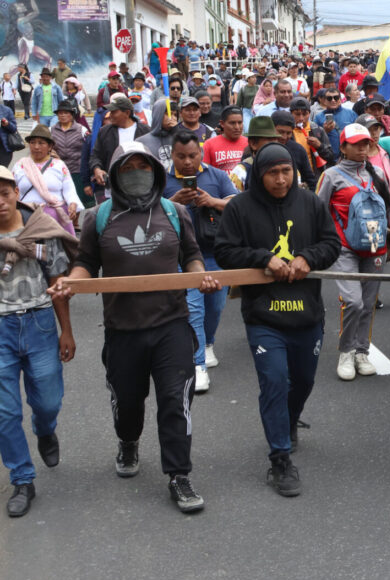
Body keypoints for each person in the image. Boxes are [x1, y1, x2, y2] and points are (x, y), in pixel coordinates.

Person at [49, 142, 219, 513]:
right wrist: (71, 283)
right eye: (128, 169)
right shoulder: (99, 217)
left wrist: (200, 276)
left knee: (176, 399)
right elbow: (87, 264)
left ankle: (179, 474)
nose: (137, 174)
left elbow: (191, 257)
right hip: (123, 329)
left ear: (155, 172)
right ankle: (128, 441)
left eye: (144, 166)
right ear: (114, 175)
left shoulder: (175, 213)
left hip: (171, 325)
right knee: (128, 403)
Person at [215, 139, 341, 497]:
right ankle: (280, 458)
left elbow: (332, 244)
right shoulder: (239, 208)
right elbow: (224, 251)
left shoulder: (311, 203)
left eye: (287, 171)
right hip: (263, 316)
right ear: (259, 174)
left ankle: (288, 421)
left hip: (307, 314)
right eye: (273, 173)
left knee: (301, 382)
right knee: (274, 381)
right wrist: (261, 258)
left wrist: (308, 258)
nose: (281, 179)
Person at [0, 165, 76, 518]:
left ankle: (45, 431)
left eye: (4, 193)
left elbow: (59, 281)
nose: (0, 202)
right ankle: (22, 479)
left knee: (47, 401)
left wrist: (67, 330)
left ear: (16, 193)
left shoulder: (41, 229)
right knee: (4, 413)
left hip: (40, 323)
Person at [163, 131, 238, 393]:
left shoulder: (217, 176)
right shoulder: (162, 178)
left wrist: (212, 201)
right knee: (193, 307)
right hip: (180, 257)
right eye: (181, 156)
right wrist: (172, 203)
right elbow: (148, 210)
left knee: (214, 306)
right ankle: (198, 366)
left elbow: (237, 204)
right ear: (172, 155)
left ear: (201, 154)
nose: (187, 162)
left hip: (214, 253)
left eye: (192, 155)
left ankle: (207, 344)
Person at [316, 123, 390, 381]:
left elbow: (389, 215)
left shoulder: (377, 174)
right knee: (353, 301)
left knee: (368, 304)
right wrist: (325, 245)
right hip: (344, 250)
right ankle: (346, 352)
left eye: (366, 143)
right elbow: (318, 212)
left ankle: (362, 352)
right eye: (357, 143)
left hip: (376, 250)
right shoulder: (331, 175)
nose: (363, 148)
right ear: (343, 147)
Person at [14, 125, 80, 235]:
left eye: (41, 143)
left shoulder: (59, 165)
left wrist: (72, 203)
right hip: (26, 216)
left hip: (53, 219)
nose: (36, 147)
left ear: (50, 147)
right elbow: (12, 190)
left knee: (53, 250)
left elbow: (69, 189)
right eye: (32, 142)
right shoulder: (20, 165)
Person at [89, 96, 151, 203]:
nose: (110, 115)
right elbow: (95, 156)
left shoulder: (145, 131)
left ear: (127, 113)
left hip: (140, 188)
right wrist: (97, 169)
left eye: (114, 112)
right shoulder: (104, 132)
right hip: (112, 190)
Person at [313, 87, 358, 157]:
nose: (333, 100)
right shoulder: (318, 117)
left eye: (336, 98)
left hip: (348, 157)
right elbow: (315, 139)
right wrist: (324, 131)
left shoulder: (351, 114)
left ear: (340, 99)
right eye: (329, 98)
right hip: (328, 158)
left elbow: (357, 135)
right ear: (324, 101)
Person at [202, 106, 248, 172]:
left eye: (240, 123)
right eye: (232, 123)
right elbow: (205, 172)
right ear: (222, 124)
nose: (237, 127)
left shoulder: (249, 144)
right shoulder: (209, 144)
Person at [0, 100, 18, 168]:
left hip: (3, 150)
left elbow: (14, 129)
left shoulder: (6, 110)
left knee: (2, 174)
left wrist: (7, 124)